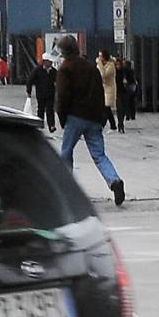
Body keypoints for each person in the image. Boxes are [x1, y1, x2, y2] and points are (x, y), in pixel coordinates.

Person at [55, 34, 125, 207]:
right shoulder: (91, 67)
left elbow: (62, 96)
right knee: (99, 155)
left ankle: (67, 189)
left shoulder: (65, 69)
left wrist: (62, 117)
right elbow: (100, 93)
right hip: (93, 117)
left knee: (66, 152)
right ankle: (114, 180)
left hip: (74, 117)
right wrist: (101, 117)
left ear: (63, 52)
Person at [27, 58, 57, 131]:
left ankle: (51, 125)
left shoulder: (53, 71)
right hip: (40, 93)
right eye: (49, 62)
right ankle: (40, 123)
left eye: (51, 62)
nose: (50, 63)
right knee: (41, 109)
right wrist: (29, 91)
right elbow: (30, 80)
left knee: (50, 109)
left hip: (50, 93)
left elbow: (58, 81)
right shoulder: (37, 70)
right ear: (44, 62)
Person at [97, 49, 118, 131]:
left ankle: (103, 124)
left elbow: (104, 75)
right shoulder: (100, 65)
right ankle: (112, 125)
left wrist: (100, 65)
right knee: (106, 108)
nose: (99, 58)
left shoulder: (111, 65)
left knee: (106, 107)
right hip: (103, 88)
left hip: (110, 89)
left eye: (100, 56)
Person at [115, 55, 137, 130]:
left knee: (124, 108)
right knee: (119, 108)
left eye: (119, 64)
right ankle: (120, 124)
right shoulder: (114, 72)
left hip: (125, 91)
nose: (118, 66)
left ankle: (123, 121)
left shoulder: (125, 71)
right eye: (116, 65)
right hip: (117, 91)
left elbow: (131, 79)